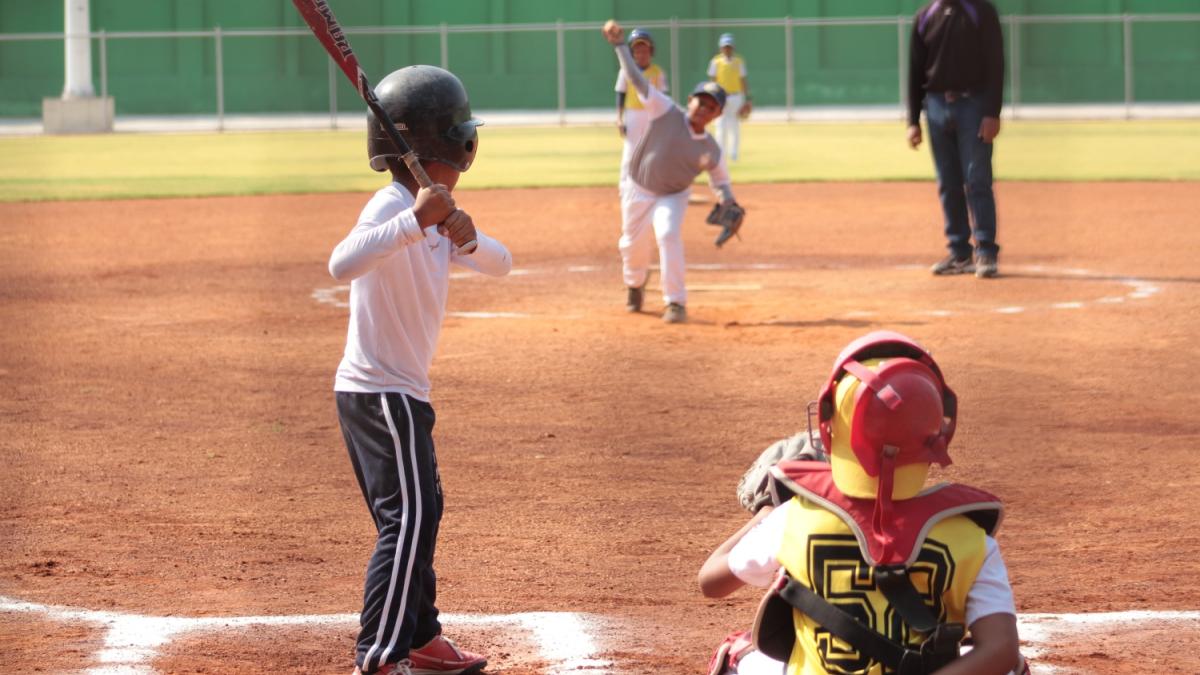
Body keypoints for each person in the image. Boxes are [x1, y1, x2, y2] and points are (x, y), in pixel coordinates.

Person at [699, 331, 1026, 675]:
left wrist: (767, 513)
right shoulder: (971, 538)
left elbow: (711, 581)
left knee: (736, 652)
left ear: (830, 427)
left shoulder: (793, 518)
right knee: (1014, 668)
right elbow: (1001, 649)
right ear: (938, 433)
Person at [328, 65, 511, 675]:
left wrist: (465, 233)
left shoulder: (437, 211)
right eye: (458, 141)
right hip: (379, 391)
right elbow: (341, 264)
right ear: (431, 146)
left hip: (401, 393)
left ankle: (421, 636)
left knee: (421, 509)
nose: (467, 153)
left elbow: (501, 265)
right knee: (406, 518)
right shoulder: (389, 204)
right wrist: (414, 221)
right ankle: (380, 653)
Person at [602, 19, 741, 324]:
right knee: (632, 246)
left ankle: (675, 302)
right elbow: (637, 82)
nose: (703, 108)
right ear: (689, 100)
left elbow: (720, 179)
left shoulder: (710, 148)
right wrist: (619, 46)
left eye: (711, 107)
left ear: (717, 114)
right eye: (700, 101)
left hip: (674, 195)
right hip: (638, 186)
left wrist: (728, 200)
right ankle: (635, 283)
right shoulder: (666, 110)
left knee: (667, 234)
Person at [907, 0, 1006, 279]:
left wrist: (992, 112)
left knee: (977, 179)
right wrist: (913, 120)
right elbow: (915, 71)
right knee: (948, 183)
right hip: (936, 107)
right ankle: (959, 251)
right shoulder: (926, 16)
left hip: (972, 104)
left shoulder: (980, 11)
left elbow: (996, 62)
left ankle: (985, 250)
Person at [615, 28, 669, 186]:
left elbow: (665, 97)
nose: (641, 53)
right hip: (633, 115)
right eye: (637, 50)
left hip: (652, 115)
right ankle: (624, 185)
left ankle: (655, 185)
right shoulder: (625, 71)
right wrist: (619, 118)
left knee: (655, 151)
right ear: (632, 53)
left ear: (651, 51)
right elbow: (620, 94)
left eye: (644, 49)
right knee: (631, 150)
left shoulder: (658, 72)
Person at [707, 33, 751, 162]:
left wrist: (746, 97)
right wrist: (712, 96)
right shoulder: (715, 61)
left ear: (733, 47)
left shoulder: (739, 61)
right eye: (725, 47)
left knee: (734, 126)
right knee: (720, 125)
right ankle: (720, 154)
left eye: (729, 46)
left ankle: (734, 154)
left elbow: (743, 80)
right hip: (720, 96)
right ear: (721, 48)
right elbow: (712, 81)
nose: (727, 49)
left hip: (736, 96)